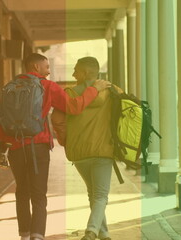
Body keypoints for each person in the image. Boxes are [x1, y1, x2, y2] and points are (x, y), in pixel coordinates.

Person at [0, 53, 111, 240]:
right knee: (39, 195)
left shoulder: (9, 88)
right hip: (37, 146)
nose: (49, 71)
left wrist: (4, 145)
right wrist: (94, 90)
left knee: (22, 191)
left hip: (14, 148)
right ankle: (37, 236)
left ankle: (24, 235)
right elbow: (73, 107)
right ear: (36, 67)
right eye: (47, 67)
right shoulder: (47, 86)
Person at [52, 57, 120, 240]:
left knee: (94, 194)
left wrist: (68, 141)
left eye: (76, 71)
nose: (73, 74)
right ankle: (91, 232)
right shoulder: (113, 91)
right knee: (100, 196)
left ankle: (103, 234)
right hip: (103, 151)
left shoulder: (69, 94)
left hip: (79, 153)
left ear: (87, 73)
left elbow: (57, 120)